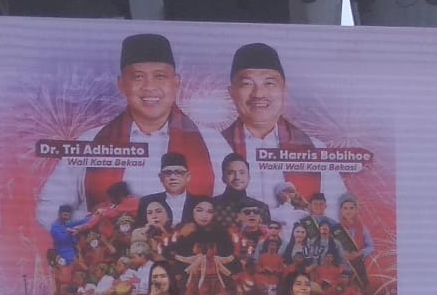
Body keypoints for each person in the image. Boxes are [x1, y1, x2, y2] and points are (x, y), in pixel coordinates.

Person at [35, 34, 228, 227]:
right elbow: (49, 207)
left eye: (160, 76)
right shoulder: (90, 141)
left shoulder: (211, 142)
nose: (149, 87)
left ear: (176, 83)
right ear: (122, 84)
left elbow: (230, 207)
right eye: (138, 77)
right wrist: (94, 224)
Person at [221, 43, 345, 217]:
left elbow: (335, 218)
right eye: (247, 84)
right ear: (231, 92)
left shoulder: (316, 150)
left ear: (284, 89)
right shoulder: (214, 147)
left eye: (269, 83)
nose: (258, 94)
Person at [137, 152, 201, 228]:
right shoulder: (147, 202)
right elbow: (139, 229)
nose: (173, 177)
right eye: (167, 173)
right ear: (161, 177)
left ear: (188, 177)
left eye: (178, 172)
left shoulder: (200, 203)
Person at [213, 153, 271, 235]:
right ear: (223, 178)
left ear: (249, 177)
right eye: (231, 172)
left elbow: (267, 238)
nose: (237, 177)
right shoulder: (212, 205)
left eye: (242, 172)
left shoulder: (261, 208)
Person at [336, 193, 375, 289]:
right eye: (345, 208)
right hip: (341, 268)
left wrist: (359, 253)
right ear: (341, 210)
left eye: (351, 208)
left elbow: (371, 247)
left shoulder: (363, 228)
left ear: (356, 210)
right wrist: (342, 253)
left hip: (358, 268)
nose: (348, 211)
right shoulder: (336, 229)